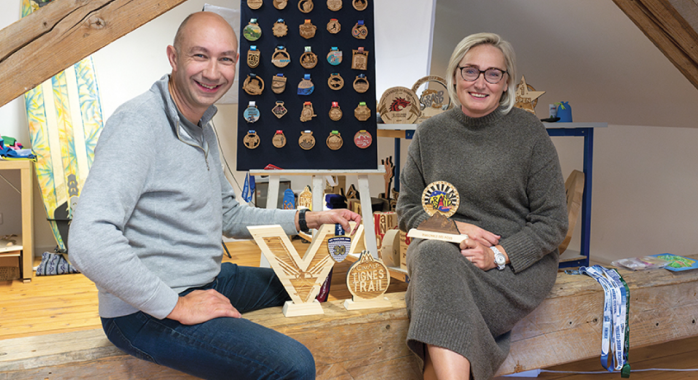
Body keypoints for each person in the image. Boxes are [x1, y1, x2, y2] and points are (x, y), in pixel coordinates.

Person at [68, 12, 361, 380]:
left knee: (304, 286)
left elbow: (229, 215)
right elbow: (88, 240)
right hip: (142, 312)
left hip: (204, 278)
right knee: (294, 366)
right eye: (199, 55)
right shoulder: (139, 123)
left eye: (224, 59)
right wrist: (176, 305)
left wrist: (308, 218)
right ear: (174, 57)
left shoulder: (200, 125)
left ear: (236, 64)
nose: (212, 72)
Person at [396, 33, 568, 380]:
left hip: (514, 266)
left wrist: (499, 254)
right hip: (443, 251)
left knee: (436, 289)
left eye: (493, 74)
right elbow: (407, 210)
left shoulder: (529, 132)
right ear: (455, 75)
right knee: (432, 256)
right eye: (471, 71)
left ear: (506, 84)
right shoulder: (429, 133)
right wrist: (456, 230)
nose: (480, 82)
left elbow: (553, 221)